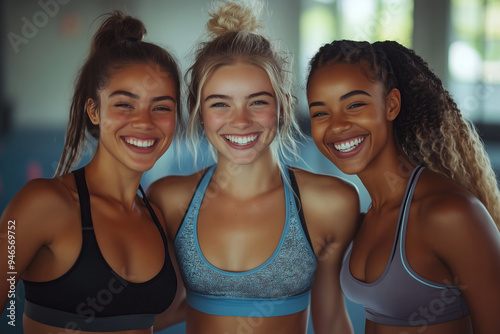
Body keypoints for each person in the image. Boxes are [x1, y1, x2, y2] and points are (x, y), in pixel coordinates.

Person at [146, 1, 360, 334]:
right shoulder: (169, 200)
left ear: (283, 106)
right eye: (220, 104)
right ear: (199, 112)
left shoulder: (330, 204)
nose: (241, 121)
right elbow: (160, 311)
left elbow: (331, 320)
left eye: (258, 101)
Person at [0, 11, 184, 334]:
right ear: (94, 111)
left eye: (162, 107)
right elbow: (9, 310)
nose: (145, 121)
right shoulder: (43, 203)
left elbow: (139, 317)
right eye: (125, 104)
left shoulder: (155, 216)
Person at [306, 39, 500, 334]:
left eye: (355, 105)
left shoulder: (450, 213)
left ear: (391, 105)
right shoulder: (365, 218)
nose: (337, 125)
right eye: (321, 112)